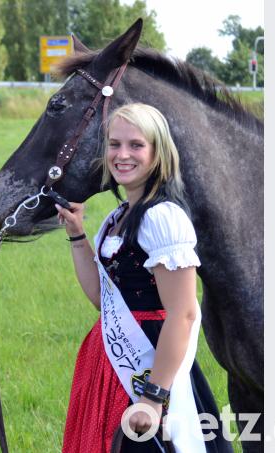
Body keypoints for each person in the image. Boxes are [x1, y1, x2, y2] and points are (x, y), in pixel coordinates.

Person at [55, 103, 231, 452]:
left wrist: (154, 398)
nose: (122, 154)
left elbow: (183, 314)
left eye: (136, 145)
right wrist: (77, 235)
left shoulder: (164, 218)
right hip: (110, 360)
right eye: (114, 144)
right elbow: (101, 300)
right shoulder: (117, 218)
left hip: (152, 363)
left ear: (157, 153)